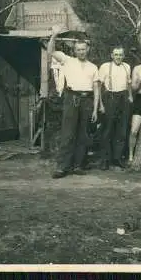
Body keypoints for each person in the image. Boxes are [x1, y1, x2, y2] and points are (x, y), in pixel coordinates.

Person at [48, 28, 100, 179]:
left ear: (87, 49)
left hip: (87, 100)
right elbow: (51, 51)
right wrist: (54, 35)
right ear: (74, 50)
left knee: (83, 134)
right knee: (68, 133)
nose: (81, 52)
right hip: (71, 98)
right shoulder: (67, 60)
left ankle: (78, 165)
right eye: (78, 49)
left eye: (83, 49)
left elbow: (96, 89)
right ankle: (62, 167)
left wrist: (95, 109)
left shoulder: (93, 67)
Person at [98, 46, 133, 170]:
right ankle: (105, 159)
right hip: (110, 97)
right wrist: (101, 104)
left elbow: (129, 83)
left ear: (123, 56)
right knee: (107, 129)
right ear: (112, 55)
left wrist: (130, 96)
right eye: (116, 54)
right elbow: (98, 85)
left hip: (123, 98)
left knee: (122, 129)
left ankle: (117, 158)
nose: (118, 57)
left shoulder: (127, 66)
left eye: (120, 55)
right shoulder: (105, 66)